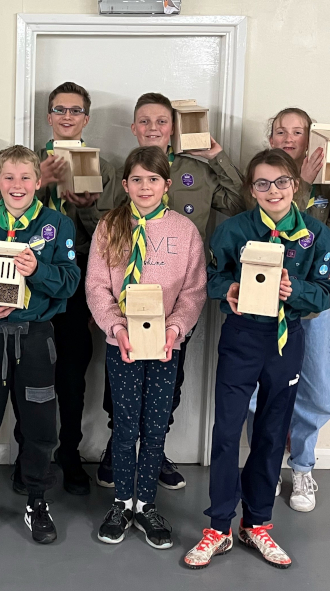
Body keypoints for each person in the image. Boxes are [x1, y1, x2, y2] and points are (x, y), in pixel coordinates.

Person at [184, 149, 330, 570]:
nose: (273, 191)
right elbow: (210, 276)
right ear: (251, 189)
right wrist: (229, 289)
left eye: (282, 182)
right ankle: (218, 527)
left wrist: (296, 291)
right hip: (242, 338)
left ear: (295, 185)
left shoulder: (316, 235)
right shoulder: (233, 230)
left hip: (286, 340)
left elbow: (326, 292)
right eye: (263, 183)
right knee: (226, 431)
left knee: (271, 433)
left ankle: (256, 524)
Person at [96, 92, 246, 492]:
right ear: (134, 128)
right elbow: (103, 223)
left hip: (176, 300)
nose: (153, 128)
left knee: (169, 376)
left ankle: (155, 448)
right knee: (119, 377)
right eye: (144, 121)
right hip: (125, 304)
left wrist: (217, 157)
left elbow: (239, 201)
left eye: (161, 121)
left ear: (174, 128)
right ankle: (118, 444)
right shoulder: (126, 172)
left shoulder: (199, 171)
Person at [0, 145, 80, 543]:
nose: (17, 184)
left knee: (40, 426)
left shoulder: (57, 225)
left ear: (39, 182)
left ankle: (37, 499)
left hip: (36, 338)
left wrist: (38, 270)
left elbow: (70, 282)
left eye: (26, 177)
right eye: (8, 177)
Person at [86, 147, 206, 548]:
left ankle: (146, 505)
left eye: (153, 179)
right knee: (124, 427)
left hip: (165, 347)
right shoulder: (109, 226)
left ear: (166, 185)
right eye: (136, 179)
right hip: (122, 344)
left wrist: (175, 329)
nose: (145, 186)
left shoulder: (185, 232)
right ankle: (122, 503)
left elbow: (193, 291)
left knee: (154, 428)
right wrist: (116, 327)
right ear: (125, 185)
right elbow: (97, 286)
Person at [245, 107, 330, 512]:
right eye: (281, 131)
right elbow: (262, 229)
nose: (289, 138)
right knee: (259, 391)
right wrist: (301, 185)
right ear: (270, 138)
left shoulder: (328, 182)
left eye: (297, 132)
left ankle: (303, 466)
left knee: (316, 390)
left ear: (310, 139)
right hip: (263, 307)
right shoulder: (261, 177)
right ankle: (266, 463)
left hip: (309, 307)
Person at [28, 81, 126, 496]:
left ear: (86, 118)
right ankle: (30, 458)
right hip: (32, 280)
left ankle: (69, 456)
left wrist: (87, 211)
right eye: (59, 109)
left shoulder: (106, 168)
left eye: (75, 111)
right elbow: (12, 219)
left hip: (79, 283)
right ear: (48, 116)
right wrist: (39, 184)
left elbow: (115, 237)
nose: (66, 117)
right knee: (30, 373)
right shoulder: (28, 162)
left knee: (71, 376)